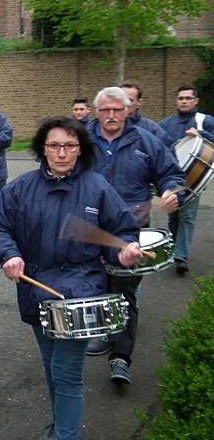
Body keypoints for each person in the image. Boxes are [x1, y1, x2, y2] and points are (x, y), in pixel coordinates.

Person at [0, 115, 142, 440]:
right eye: (54, 145)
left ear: (80, 149)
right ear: (43, 149)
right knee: (52, 369)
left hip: (80, 297)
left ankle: (65, 435)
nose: (62, 152)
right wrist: (9, 254)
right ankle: (59, 427)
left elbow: (121, 232)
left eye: (70, 145)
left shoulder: (97, 187)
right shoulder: (22, 188)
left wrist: (122, 252)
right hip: (36, 294)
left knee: (67, 374)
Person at [85, 87, 185, 385]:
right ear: (97, 112)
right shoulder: (82, 140)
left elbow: (173, 174)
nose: (112, 115)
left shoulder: (146, 141)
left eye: (118, 109)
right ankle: (104, 331)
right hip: (91, 229)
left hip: (132, 230)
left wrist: (171, 191)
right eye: (106, 110)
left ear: (128, 110)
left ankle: (120, 357)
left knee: (125, 293)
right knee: (96, 286)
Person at [160, 84, 214, 275]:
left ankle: (180, 257)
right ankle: (173, 249)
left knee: (187, 216)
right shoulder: (166, 123)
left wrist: (201, 134)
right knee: (173, 216)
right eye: (180, 98)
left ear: (195, 101)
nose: (183, 101)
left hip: (194, 177)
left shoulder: (204, 121)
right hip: (170, 179)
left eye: (187, 98)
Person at [119, 81, 172, 146]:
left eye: (130, 100)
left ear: (139, 102)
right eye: (122, 99)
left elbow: (167, 153)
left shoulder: (152, 130)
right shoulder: (107, 127)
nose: (125, 103)